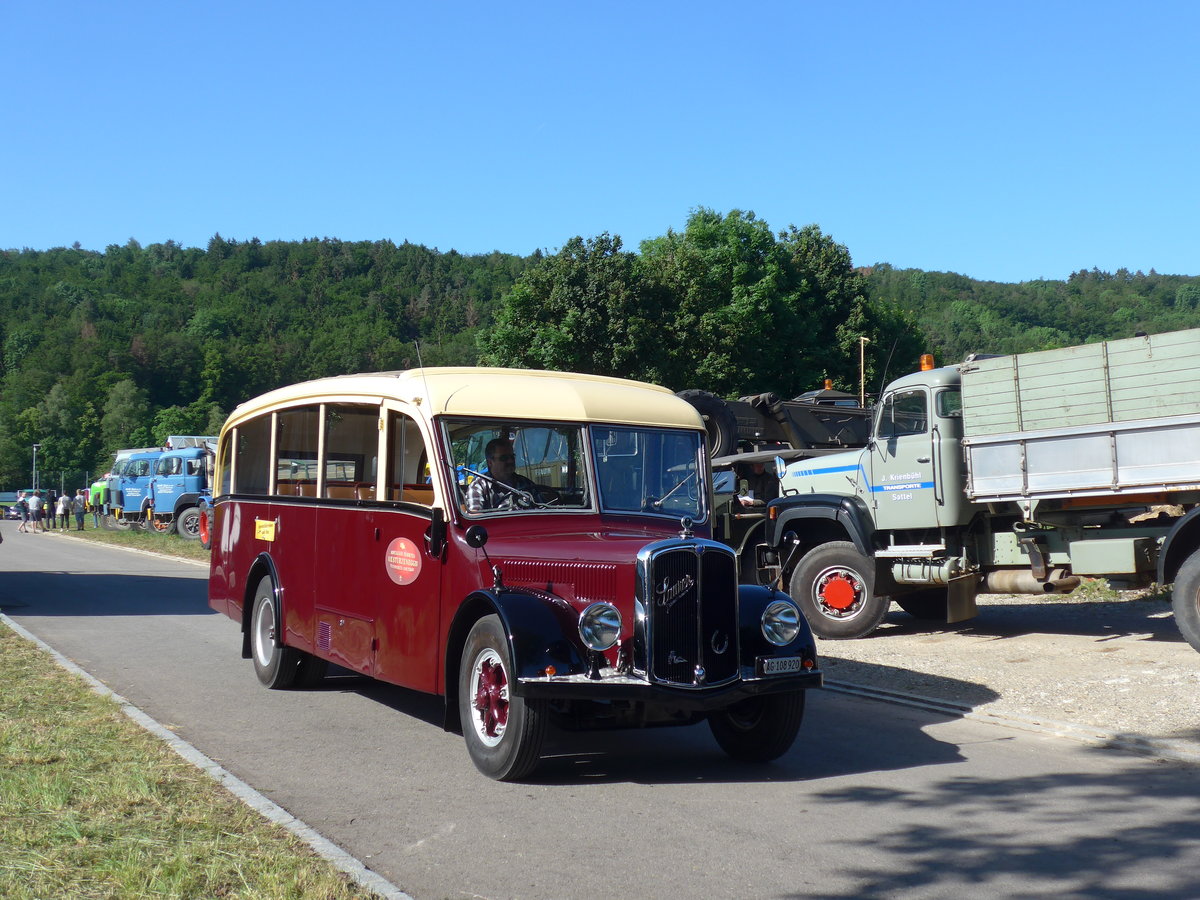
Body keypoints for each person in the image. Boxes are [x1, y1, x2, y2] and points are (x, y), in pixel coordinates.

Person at [465, 438, 538, 513]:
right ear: (490, 462)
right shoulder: (478, 486)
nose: (510, 461)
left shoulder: (526, 483)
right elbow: (474, 514)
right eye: (504, 458)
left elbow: (542, 508)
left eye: (512, 457)